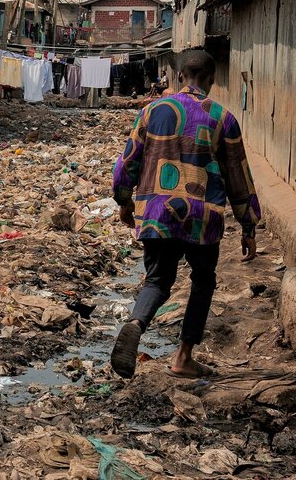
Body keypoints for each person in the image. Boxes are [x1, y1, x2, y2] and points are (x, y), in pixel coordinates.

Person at [110, 49, 261, 380]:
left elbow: (128, 161)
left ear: (179, 77)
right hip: (202, 217)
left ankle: (136, 322)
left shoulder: (152, 111)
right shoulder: (223, 119)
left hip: (157, 212)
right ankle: (183, 357)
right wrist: (249, 224)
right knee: (203, 280)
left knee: (158, 280)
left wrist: (124, 201)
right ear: (211, 81)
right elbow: (239, 176)